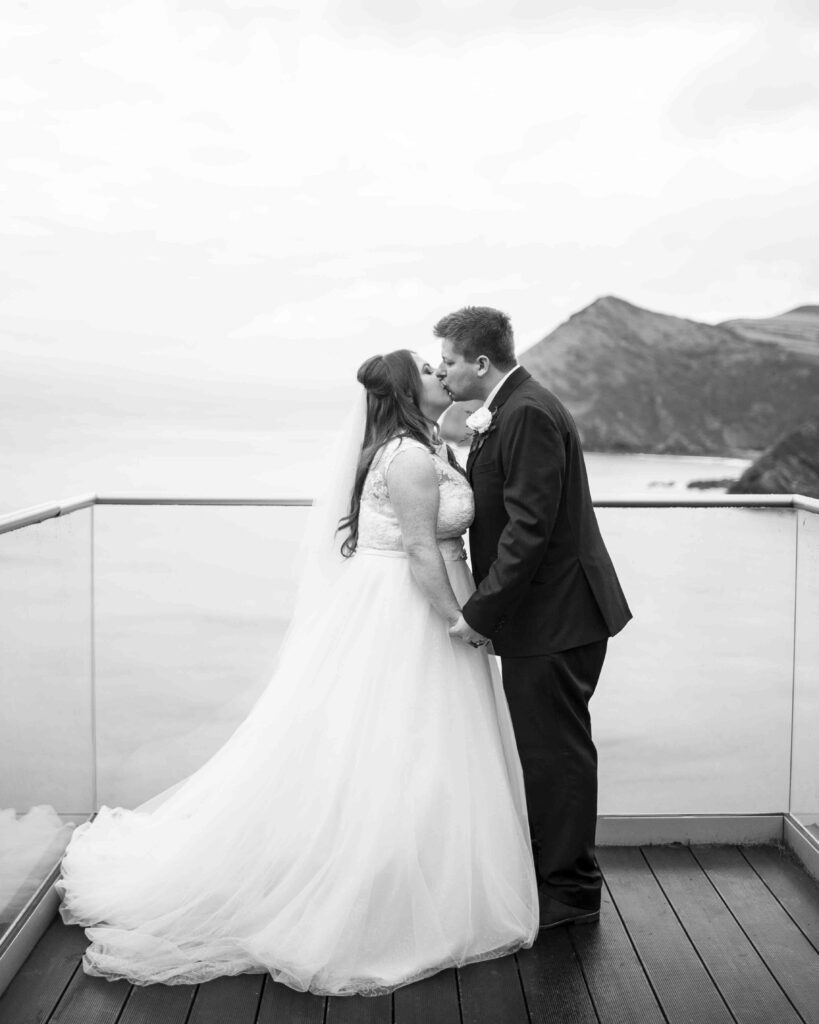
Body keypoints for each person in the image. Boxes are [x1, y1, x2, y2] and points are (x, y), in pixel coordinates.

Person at [55, 349, 538, 995]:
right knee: (401, 740)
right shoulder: (411, 458)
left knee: (412, 746)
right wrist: (462, 619)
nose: (439, 375)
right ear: (404, 390)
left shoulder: (420, 446)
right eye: (427, 369)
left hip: (401, 601)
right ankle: (378, 887)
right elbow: (422, 549)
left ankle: (408, 867)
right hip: (407, 611)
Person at [435, 306, 632, 929]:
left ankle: (571, 893)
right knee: (549, 752)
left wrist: (479, 612)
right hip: (549, 616)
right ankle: (558, 874)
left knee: (557, 755)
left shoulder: (526, 413)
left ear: (481, 363)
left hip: (556, 618)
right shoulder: (510, 409)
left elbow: (529, 529)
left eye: (448, 361)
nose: (441, 371)